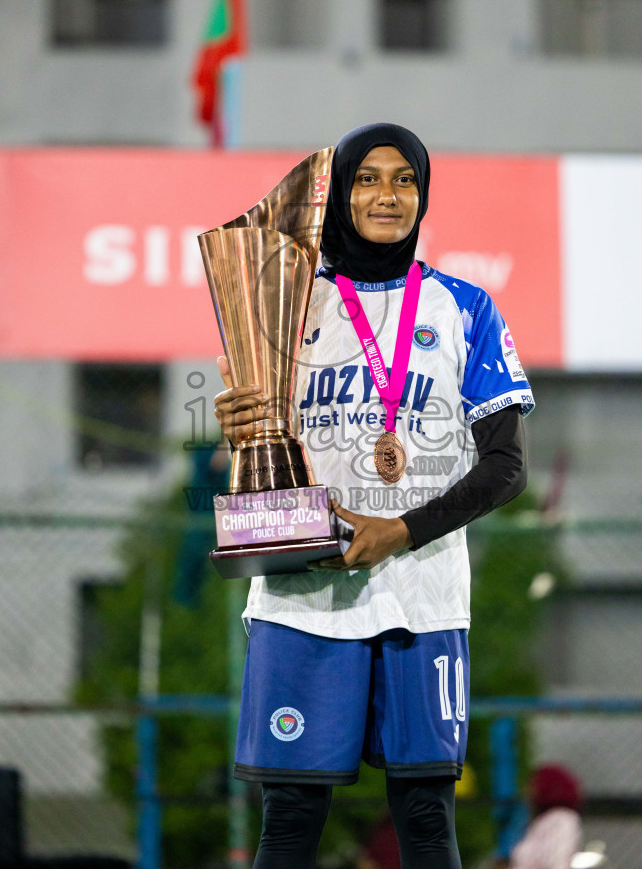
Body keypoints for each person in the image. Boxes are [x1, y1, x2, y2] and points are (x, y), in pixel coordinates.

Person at [214, 123, 534, 869]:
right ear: (339, 195)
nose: (387, 195)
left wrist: (402, 529)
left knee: (425, 816)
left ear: (422, 195)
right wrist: (244, 430)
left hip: (420, 595)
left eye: (403, 179)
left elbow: (505, 466)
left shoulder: (464, 308)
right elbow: (265, 451)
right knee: (289, 818)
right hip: (303, 594)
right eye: (365, 178)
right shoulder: (287, 305)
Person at [509, 764, 583, 869]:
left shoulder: (561, 820)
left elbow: (557, 861)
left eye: (533, 785)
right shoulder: (542, 821)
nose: (528, 791)